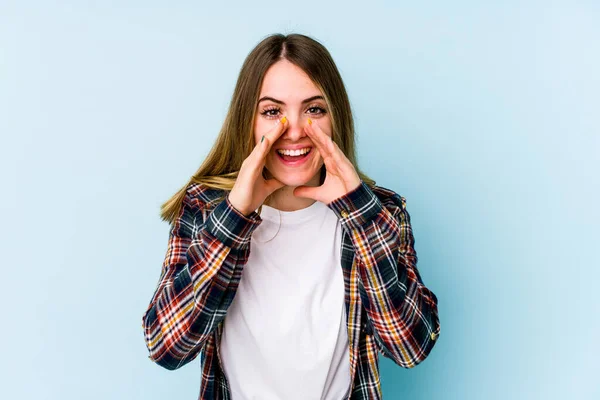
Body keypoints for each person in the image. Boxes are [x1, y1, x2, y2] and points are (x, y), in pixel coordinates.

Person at [142, 33, 441, 400]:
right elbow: (166, 347)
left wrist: (360, 213)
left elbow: (410, 348)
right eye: (272, 112)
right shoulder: (205, 208)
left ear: (335, 117)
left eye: (314, 109)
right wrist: (235, 216)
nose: (295, 130)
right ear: (248, 121)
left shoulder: (382, 212)